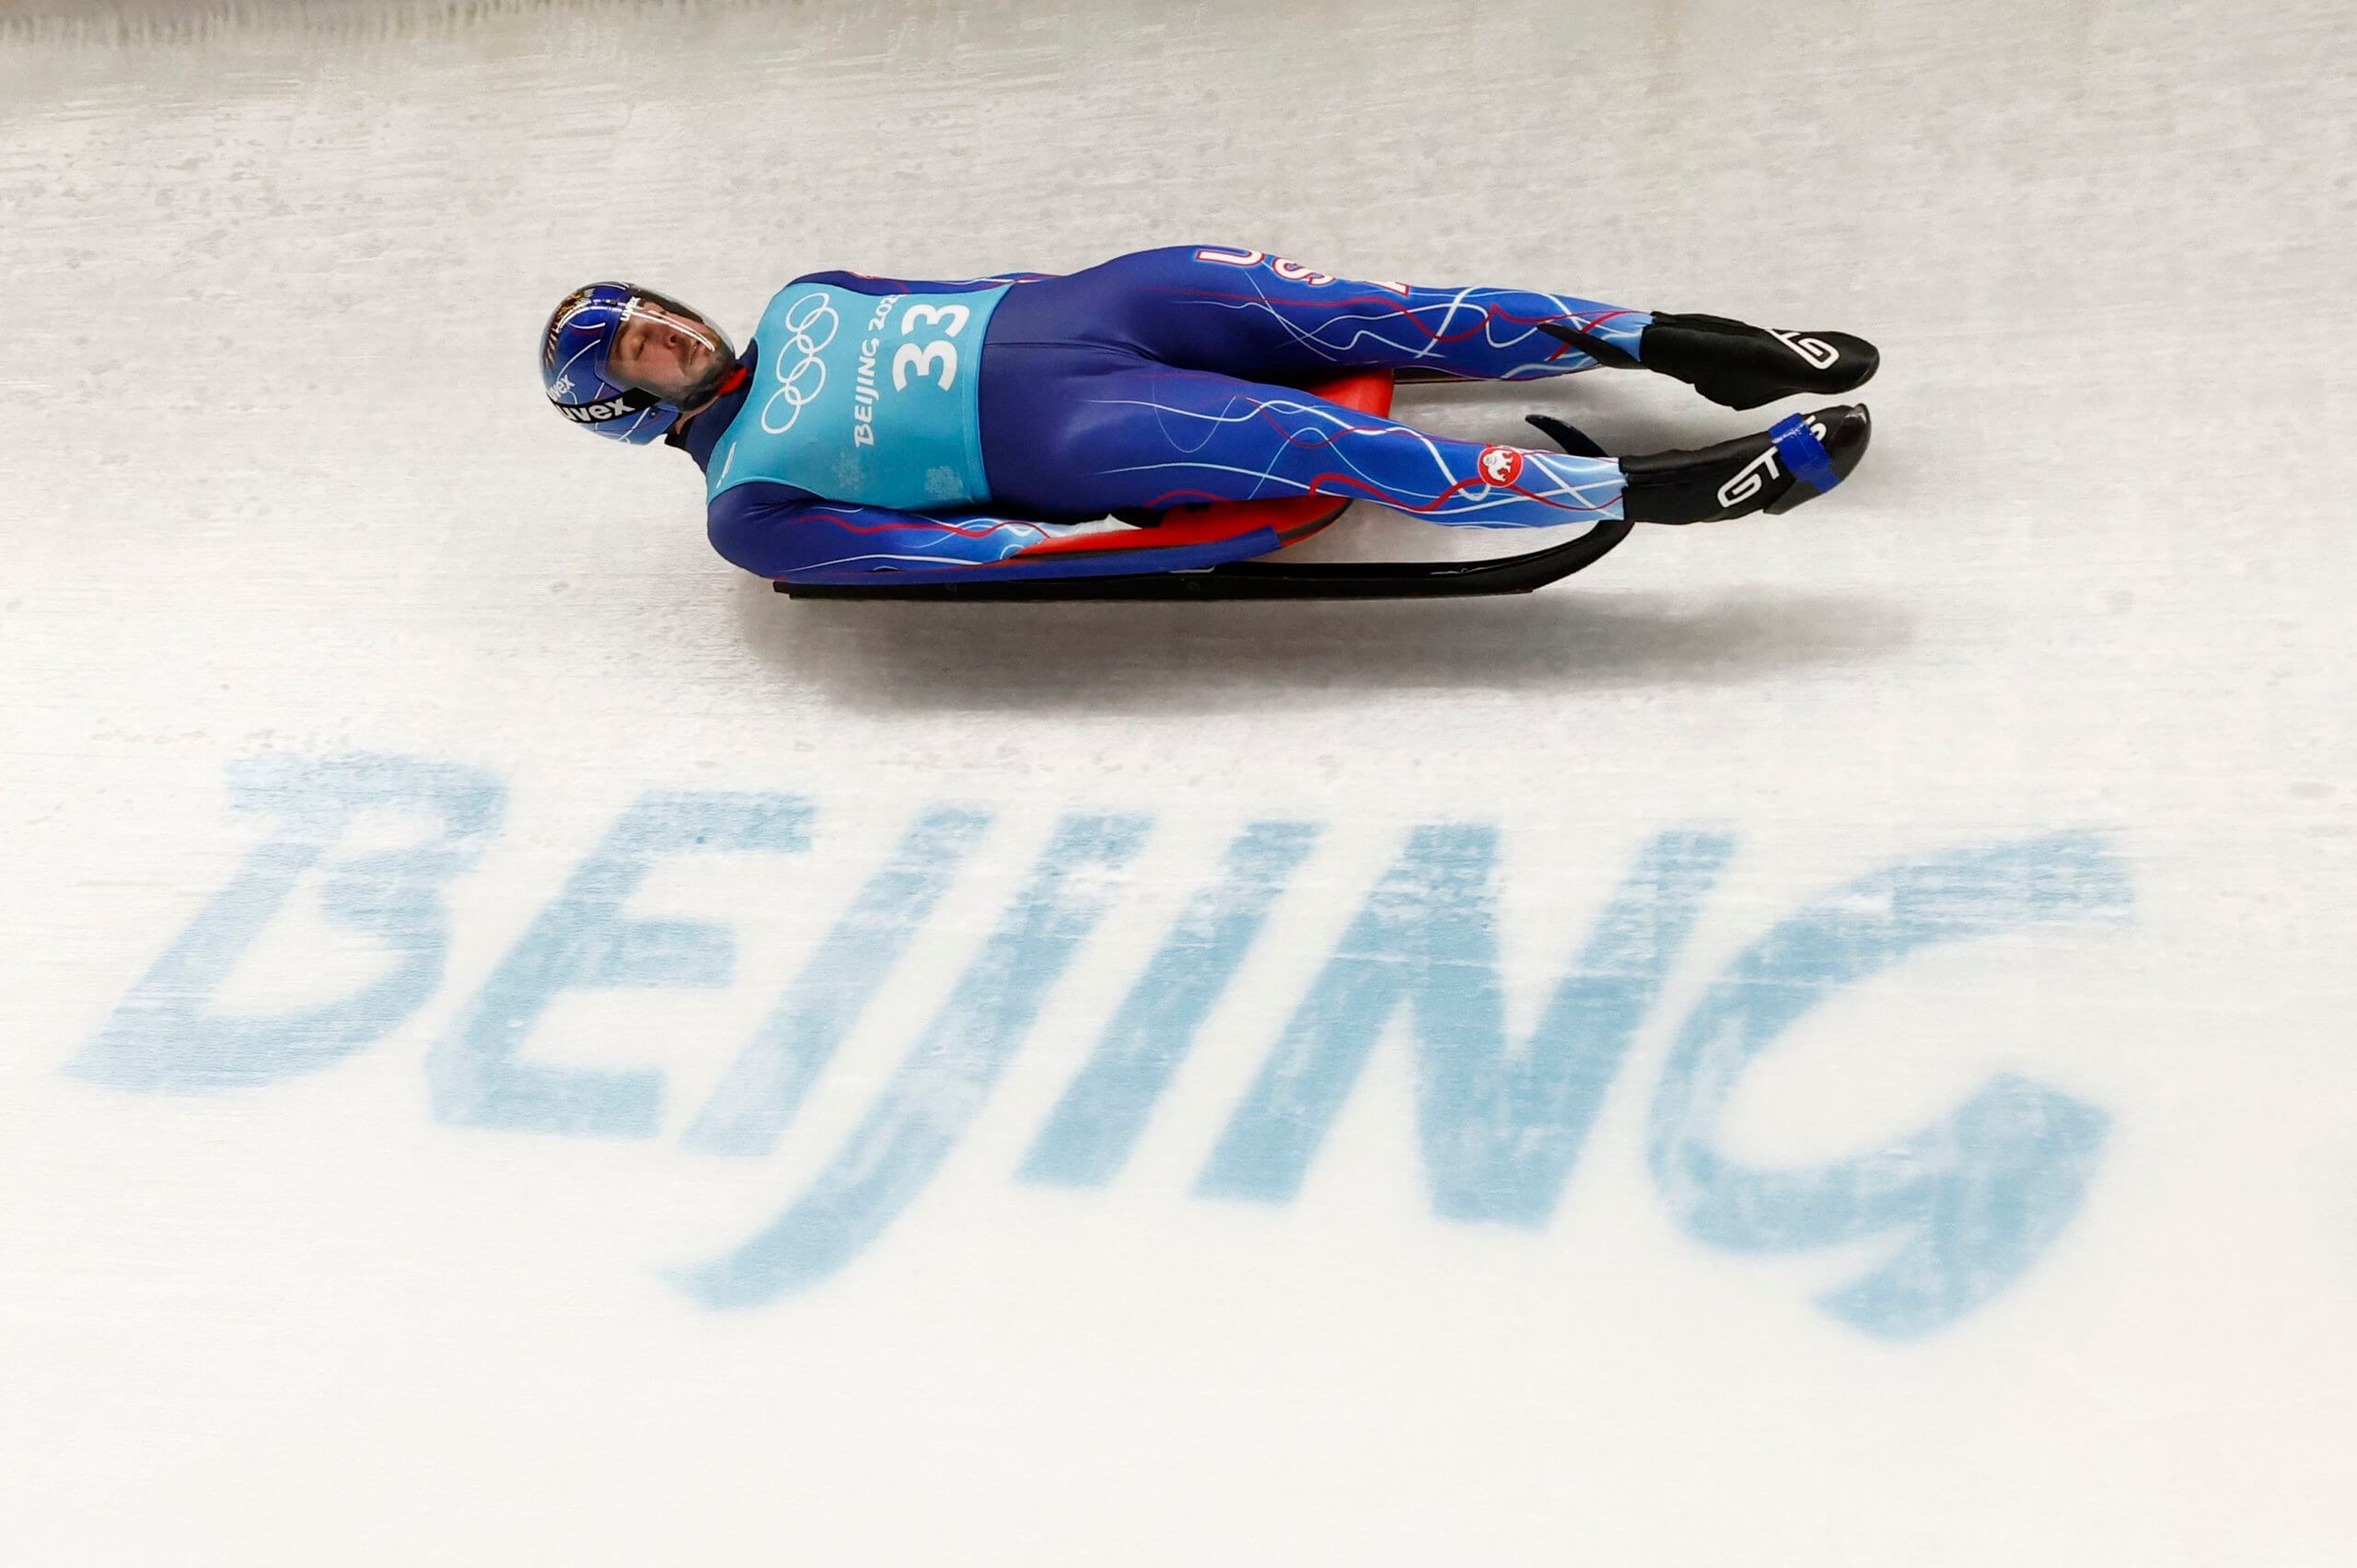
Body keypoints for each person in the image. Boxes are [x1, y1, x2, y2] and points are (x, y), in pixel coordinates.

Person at [537, 247, 1875, 586]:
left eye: (653, 310)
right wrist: (1165, 543)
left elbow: (982, 281)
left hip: (1107, 305)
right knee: (1304, 441)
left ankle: (1696, 346)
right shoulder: (747, 510)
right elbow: (978, 561)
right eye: (640, 351)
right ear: (624, 406)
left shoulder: (809, 291)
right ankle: (1664, 490)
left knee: (1364, 304)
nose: (667, 331)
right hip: (1077, 433)